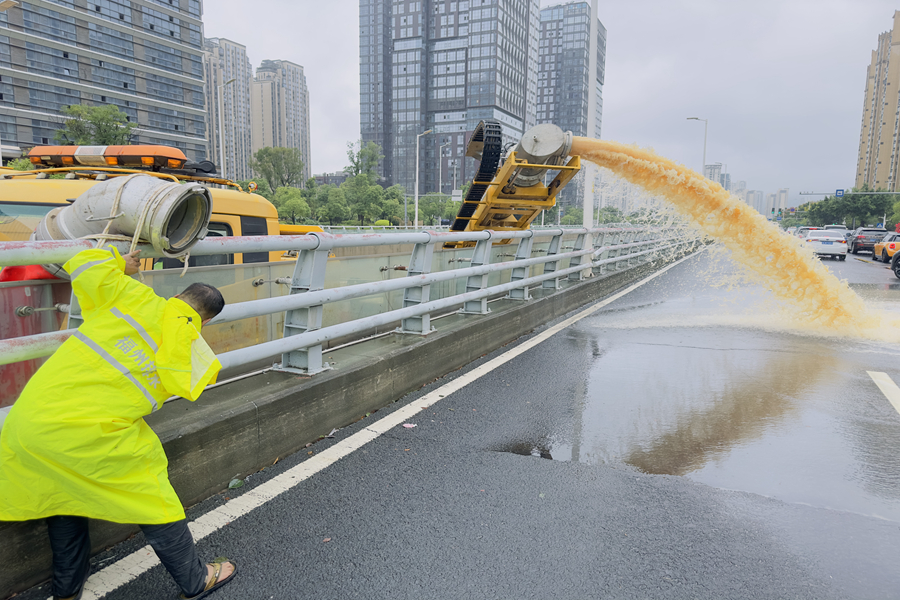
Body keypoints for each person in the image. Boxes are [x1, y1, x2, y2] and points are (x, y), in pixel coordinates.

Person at [0, 246, 237, 600]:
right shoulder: (192, 347)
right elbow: (192, 384)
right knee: (153, 497)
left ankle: (67, 588)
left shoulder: (131, 295)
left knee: (61, 496)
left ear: (176, 297)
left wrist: (119, 262)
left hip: (31, 421)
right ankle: (196, 579)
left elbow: (83, 263)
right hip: (92, 434)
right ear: (204, 323)